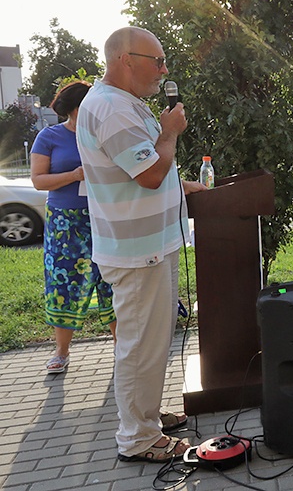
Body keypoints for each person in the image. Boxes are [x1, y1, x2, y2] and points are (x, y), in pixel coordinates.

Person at [76, 26, 208, 463]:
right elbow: (149, 173)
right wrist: (170, 130)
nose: (164, 70)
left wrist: (187, 185)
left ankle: (146, 418)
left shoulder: (123, 104)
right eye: (158, 61)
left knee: (152, 341)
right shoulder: (112, 109)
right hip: (137, 252)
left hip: (151, 245)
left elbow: (152, 170)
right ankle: (136, 438)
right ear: (124, 60)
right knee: (140, 344)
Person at [31, 81, 116, 373]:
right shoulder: (49, 136)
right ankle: (61, 352)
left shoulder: (103, 135)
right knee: (64, 285)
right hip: (65, 224)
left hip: (105, 217)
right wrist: (74, 175)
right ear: (77, 106)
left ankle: (123, 349)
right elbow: (38, 180)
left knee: (113, 282)